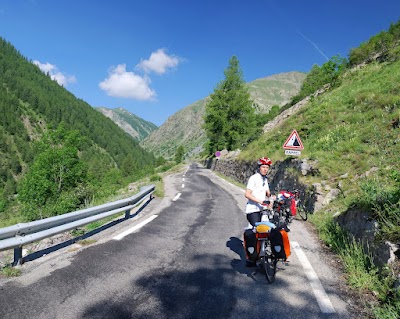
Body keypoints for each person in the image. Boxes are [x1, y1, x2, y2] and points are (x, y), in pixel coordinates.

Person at [243, 156, 272, 267]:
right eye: (263, 167)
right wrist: (260, 201)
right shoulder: (254, 178)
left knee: (267, 230)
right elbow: (247, 194)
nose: (265, 169)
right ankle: (251, 257)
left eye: (267, 167)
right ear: (259, 167)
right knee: (256, 231)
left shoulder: (265, 179)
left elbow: (267, 192)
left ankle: (262, 252)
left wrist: (272, 197)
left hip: (262, 210)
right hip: (252, 210)